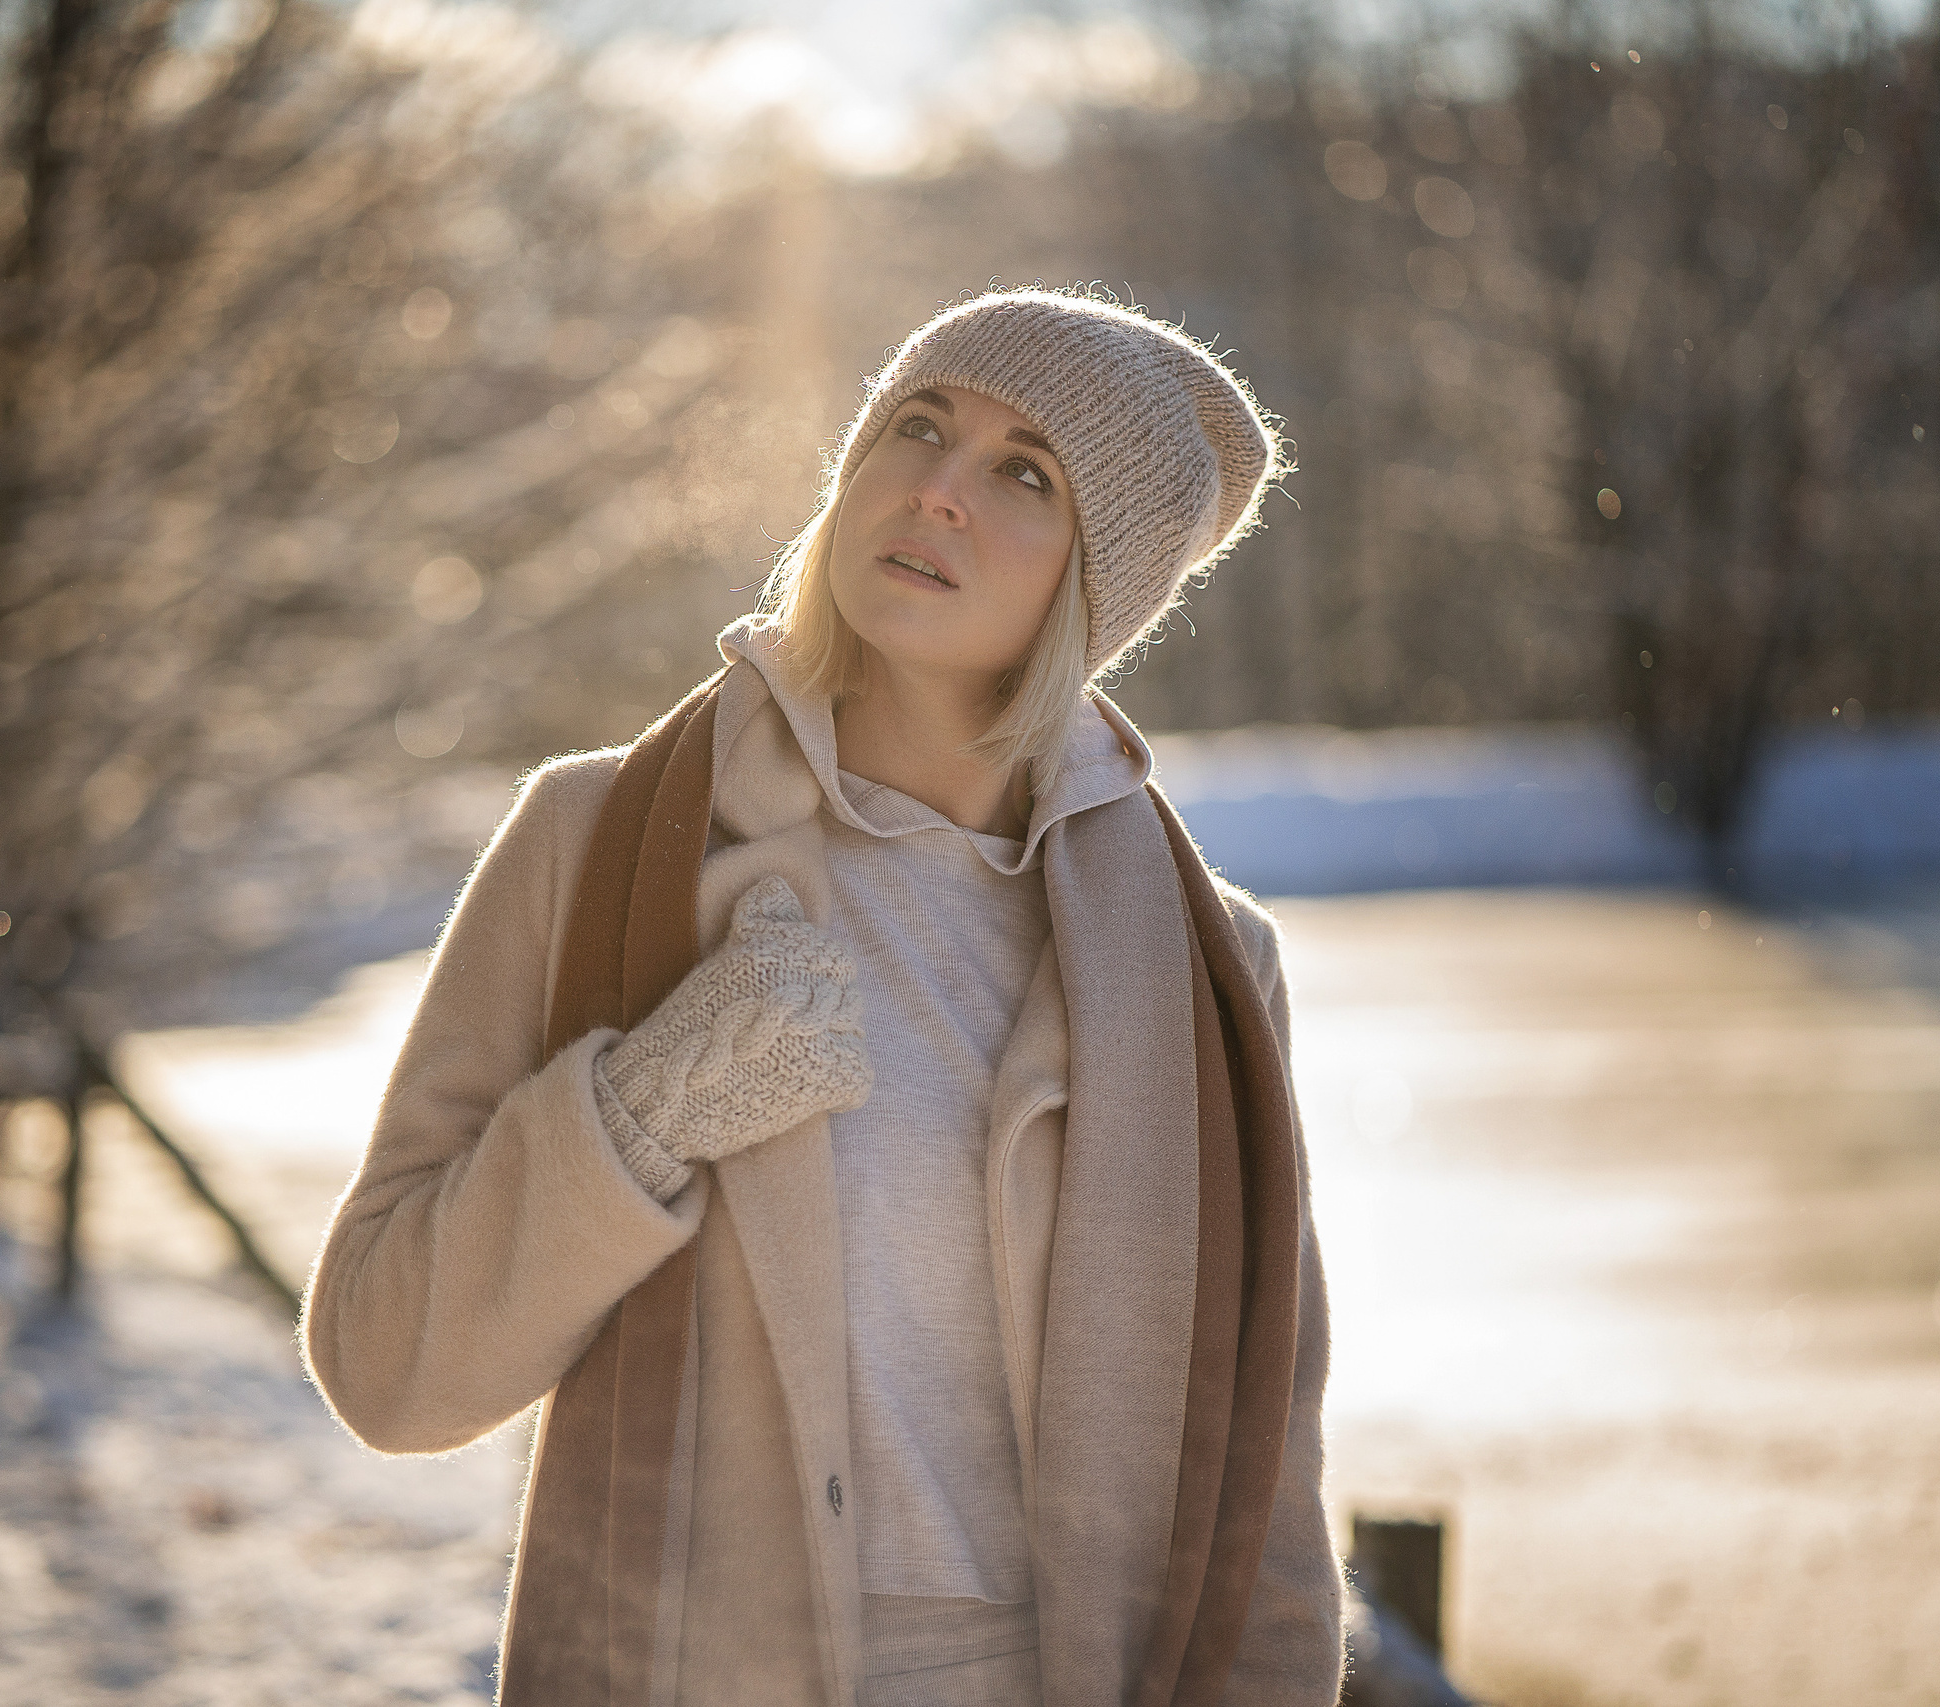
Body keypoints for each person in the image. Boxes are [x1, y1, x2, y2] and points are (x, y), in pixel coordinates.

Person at [303, 288, 1341, 1707]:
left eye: (1025, 474)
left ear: (1098, 586)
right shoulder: (602, 847)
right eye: (917, 426)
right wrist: (644, 1108)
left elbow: (1266, 1485)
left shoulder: (1202, 968)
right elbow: (384, 1366)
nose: (937, 488)